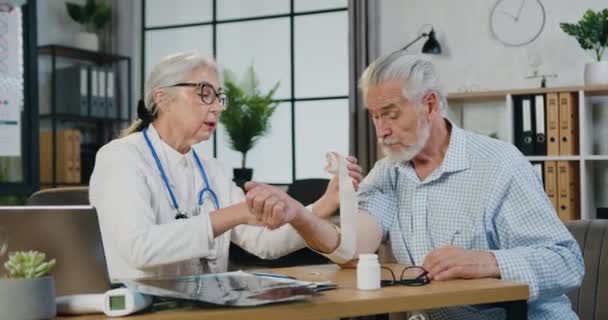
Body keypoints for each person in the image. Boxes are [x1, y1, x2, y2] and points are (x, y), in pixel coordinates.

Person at [244, 50, 584, 320]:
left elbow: (566, 263)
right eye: (374, 116)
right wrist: (299, 216)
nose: (382, 130)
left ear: (430, 104)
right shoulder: (388, 172)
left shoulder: (499, 163)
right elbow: (353, 250)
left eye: (391, 113)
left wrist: (487, 261)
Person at [89, 51, 361, 282]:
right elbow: (138, 248)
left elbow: (264, 243)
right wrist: (232, 215)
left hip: (206, 308)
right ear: (162, 99)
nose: (218, 107)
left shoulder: (212, 171)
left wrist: (325, 203)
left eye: (219, 96)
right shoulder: (120, 157)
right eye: (205, 94)